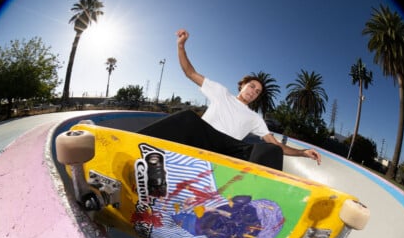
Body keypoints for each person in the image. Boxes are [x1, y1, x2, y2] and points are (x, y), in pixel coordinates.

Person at [137, 29, 321, 171]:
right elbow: (190, 73)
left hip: (228, 150)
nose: (253, 92)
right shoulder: (221, 92)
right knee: (187, 117)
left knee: (271, 150)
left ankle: (262, 200)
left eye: (257, 92)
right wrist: (181, 46)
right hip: (205, 138)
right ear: (242, 85)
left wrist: (303, 153)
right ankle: (136, 142)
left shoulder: (255, 119)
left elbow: (276, 144)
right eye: (251, 87)